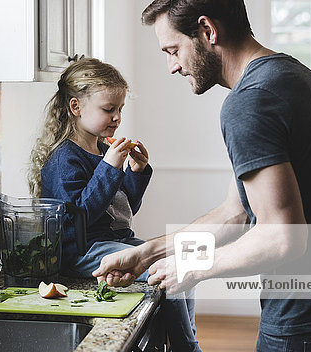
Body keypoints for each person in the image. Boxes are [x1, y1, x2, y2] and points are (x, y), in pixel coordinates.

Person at [92, 0, 311, 351]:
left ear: (207, 31)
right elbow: (234, 214)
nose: (173, 66)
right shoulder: (289, 77)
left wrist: (193, 268)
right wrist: (148, 253)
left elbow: (283, 237)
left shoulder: (250, 101)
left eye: (173, 50)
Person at [28, 57, 201, 352]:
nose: (117, 117)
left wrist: (136, 171)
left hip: (115, 241)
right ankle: (187, 347)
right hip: (83, 251)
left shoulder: (103, 148)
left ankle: (186, 341)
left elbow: (123, 207)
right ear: (75, 107)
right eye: (108, 109)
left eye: (120, 109)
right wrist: (109, 168)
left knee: (184, 263)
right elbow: (77, 217)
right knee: (165, 269)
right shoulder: (64, 159)